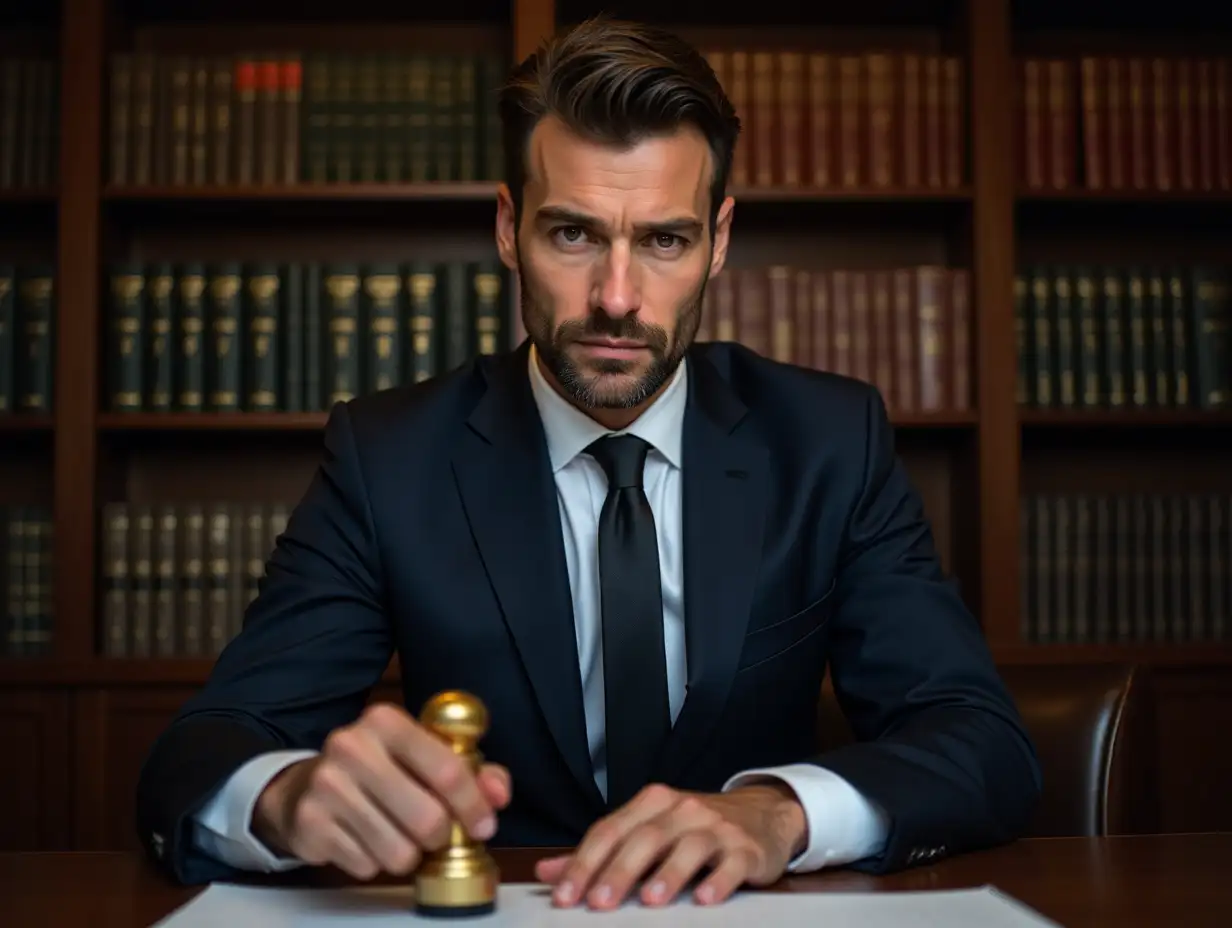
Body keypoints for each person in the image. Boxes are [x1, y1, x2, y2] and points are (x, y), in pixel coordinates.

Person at [135, 16, 1041, 911]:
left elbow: (980, 742)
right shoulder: (389, 457)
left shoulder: (831, 442)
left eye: (663, 240)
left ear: (719, 241)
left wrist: (777, 813)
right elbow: (204, 751)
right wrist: (289, 798)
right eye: (572, 235)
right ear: (507, 228)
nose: (616, 298)